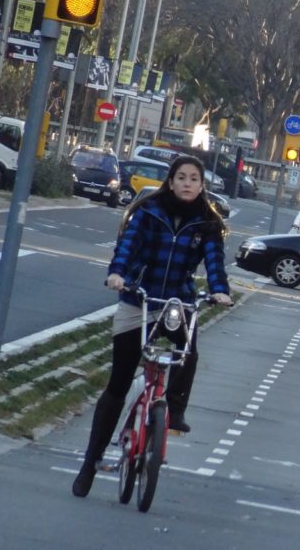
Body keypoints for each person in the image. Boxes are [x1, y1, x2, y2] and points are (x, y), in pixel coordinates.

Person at [72, 155, 232, 498]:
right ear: (171, 182)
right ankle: (90, 461)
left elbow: (215, 263)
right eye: (182, 177)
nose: (188, 183)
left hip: (177, 303)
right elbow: (126, 249)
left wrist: (219, 291)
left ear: (201, 185)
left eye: (194, 179)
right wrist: (118, 275)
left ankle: (173, 409)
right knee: (117, 383)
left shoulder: (207, 223)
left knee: (189, 350)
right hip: (139, 299)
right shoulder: (148, 213)